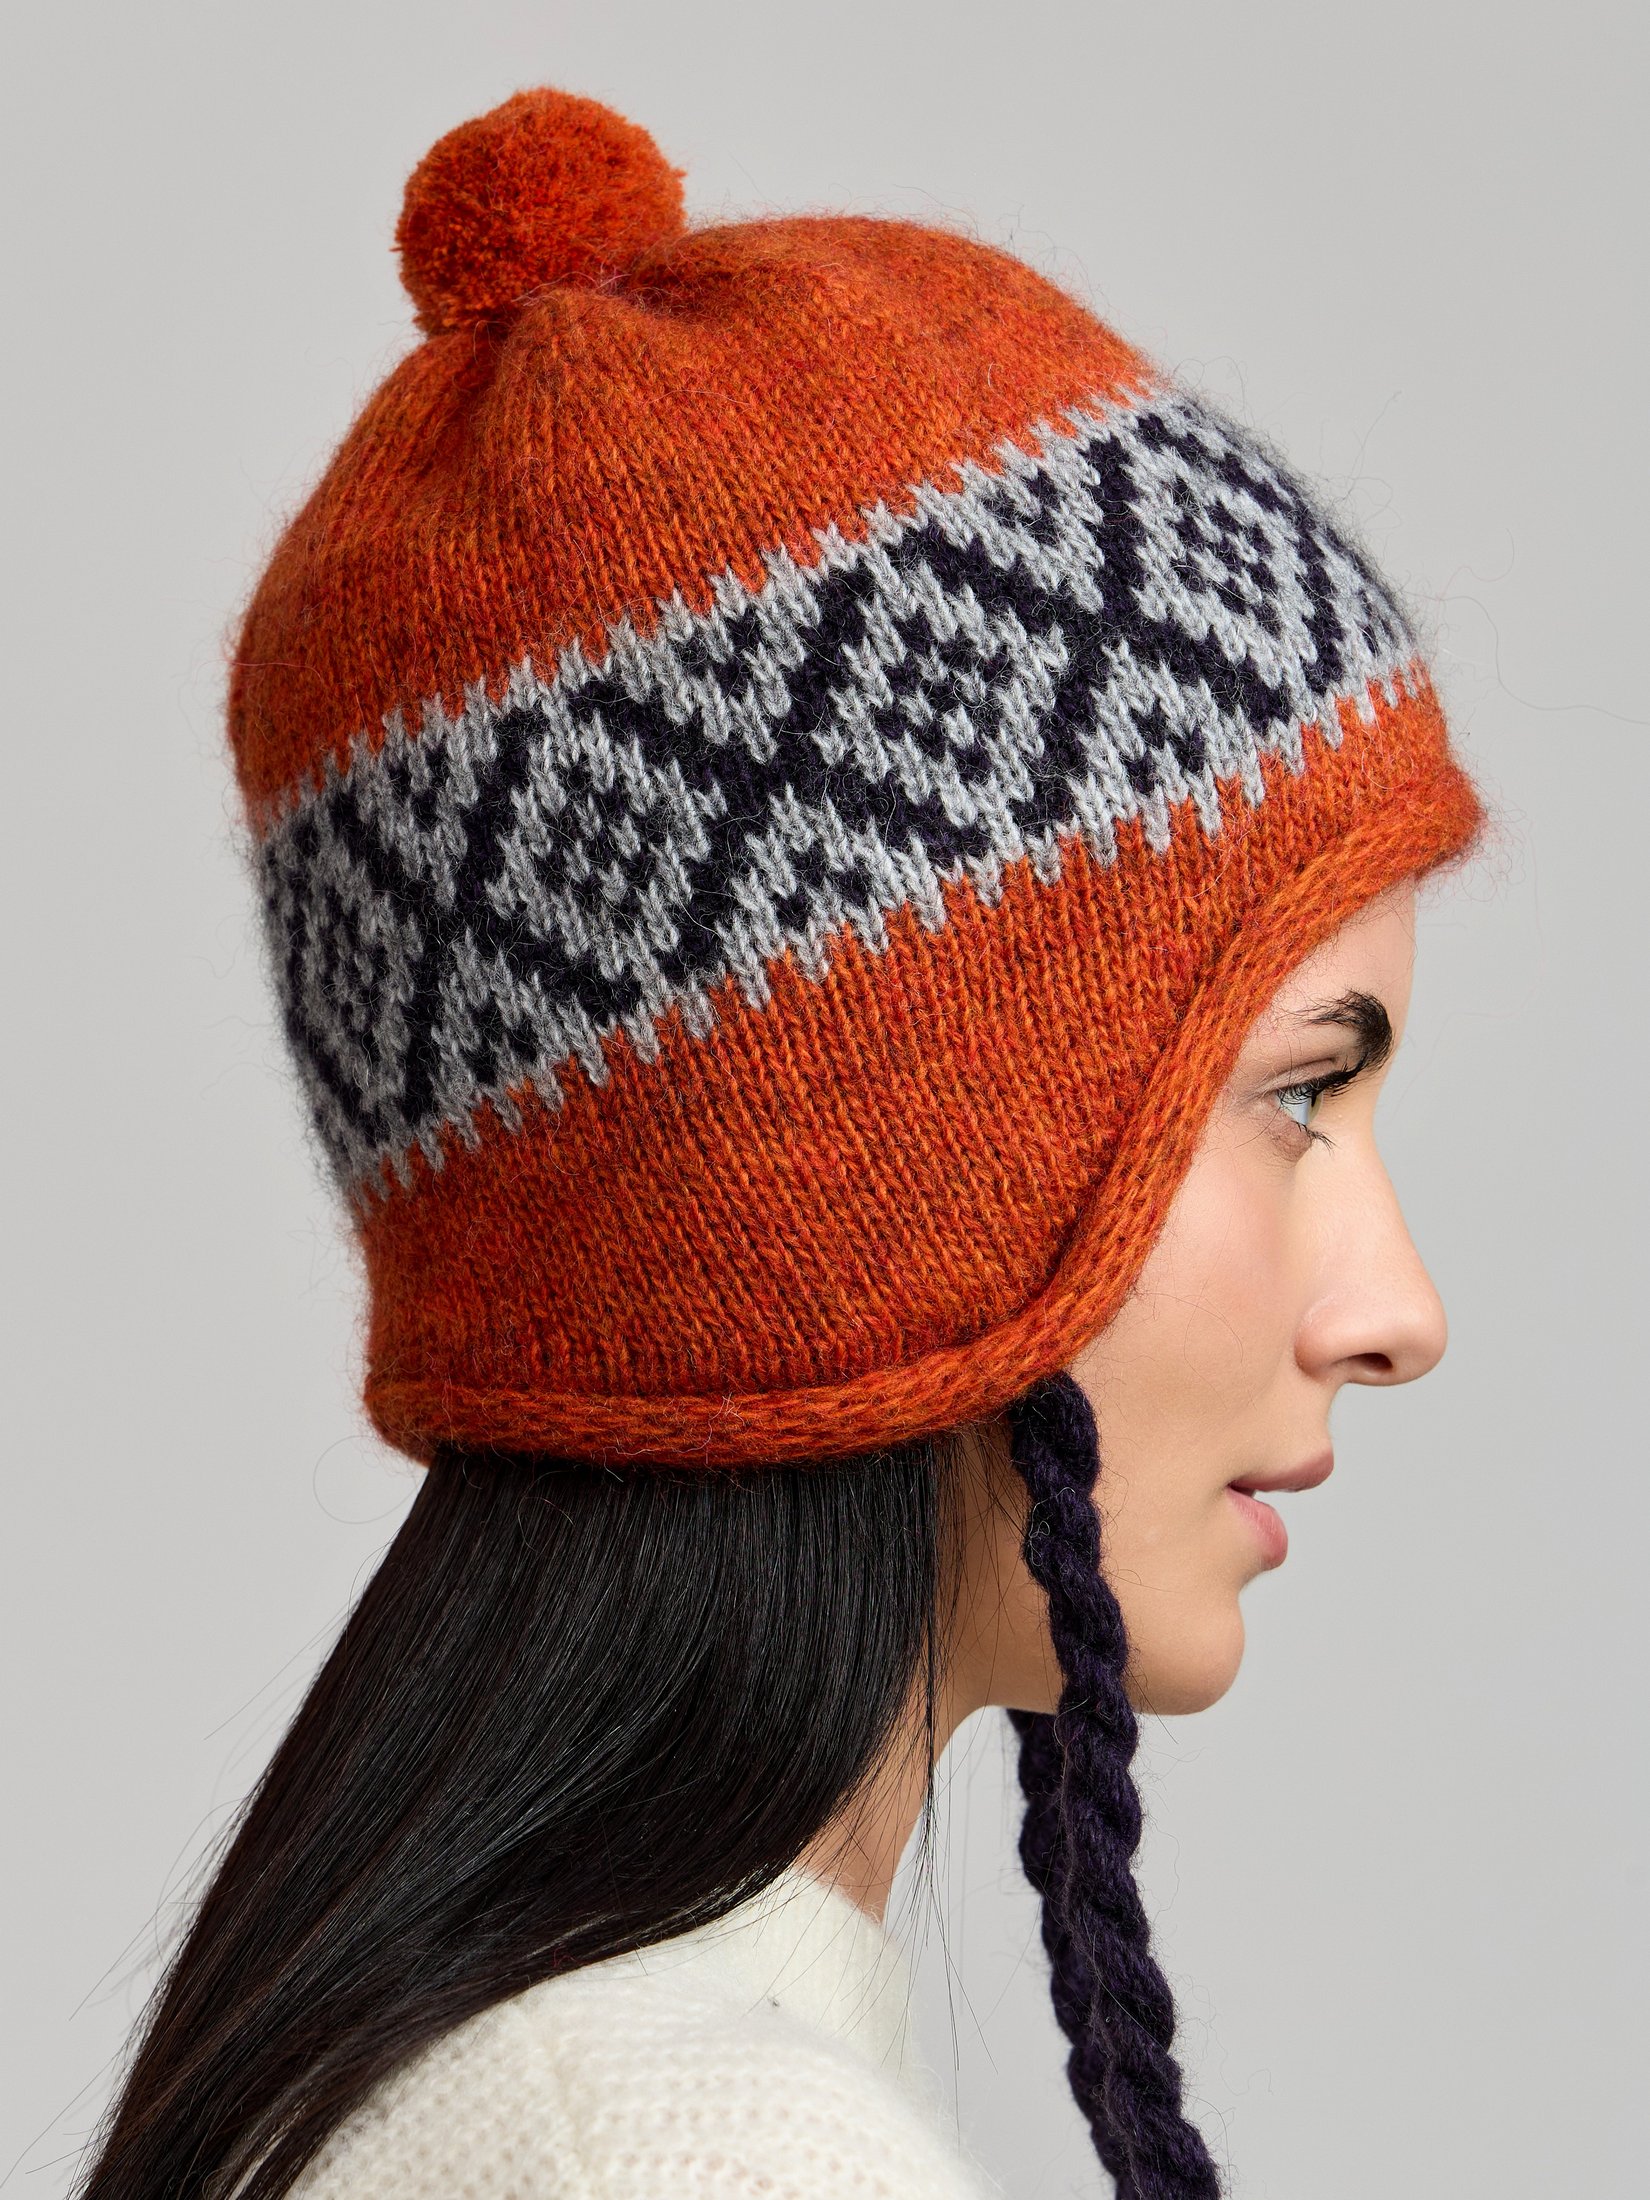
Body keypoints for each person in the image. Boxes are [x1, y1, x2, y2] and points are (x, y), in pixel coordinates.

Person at [75, 86, 1494, 2200]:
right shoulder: (689, 2150)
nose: (1398, 1314)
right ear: (873, 1180)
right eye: (1294, 1091)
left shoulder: (544, 2085)